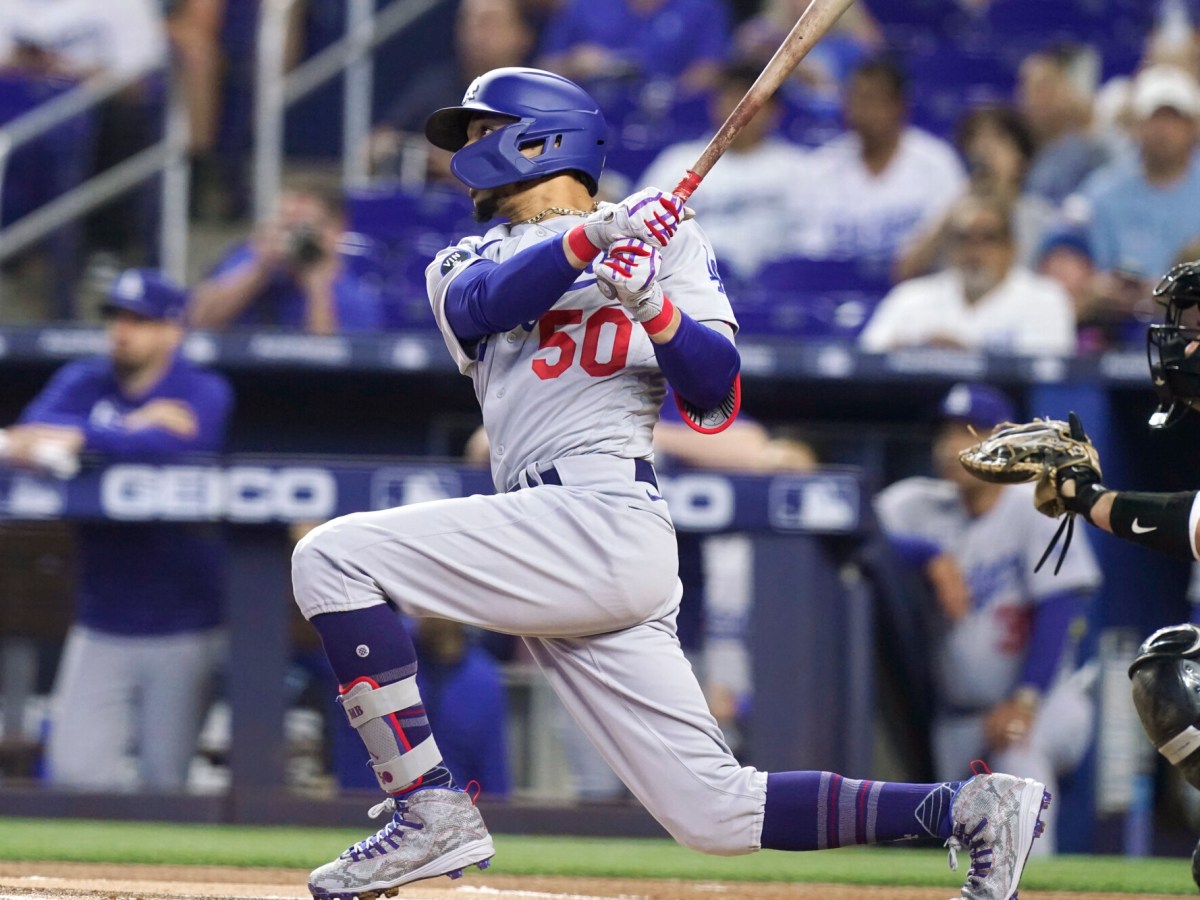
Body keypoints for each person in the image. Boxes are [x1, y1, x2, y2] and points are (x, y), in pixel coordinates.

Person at [288, 65, 1052, 900]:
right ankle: (971, 809)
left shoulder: (670, 241)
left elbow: (714, 395)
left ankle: (427, 810)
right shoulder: (467, 256)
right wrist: (594, 238)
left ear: (541, 140)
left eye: (481, 131)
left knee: (332, 557)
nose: (464, 152)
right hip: (555, 528)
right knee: (714, 812)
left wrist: (653, 302)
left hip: (602, 511)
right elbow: (486, 304)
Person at [0, 269, 233, 791]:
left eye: (140, 320)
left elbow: (182, 447)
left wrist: (82, 440)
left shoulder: (202, 388)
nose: (122, 330)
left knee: (165, 782)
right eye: (117, 317)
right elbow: (21, 439)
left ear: (172, 331)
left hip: (185, 620)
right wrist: (125, 428)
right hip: (101, 618)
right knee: (75, 774)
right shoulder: (83, 380)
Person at [875, 383, 1102, 855]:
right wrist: (927, 553)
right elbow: (853, 529)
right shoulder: (916, 506)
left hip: (1045, 702)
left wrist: (1025, 700)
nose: (950, 447)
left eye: (967, 433)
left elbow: (1059, 607)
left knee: (1018, 757)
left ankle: (1036, 881)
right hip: (959, 716)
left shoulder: (1037, 505)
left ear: (1006, 443)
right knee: (954, 837)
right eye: (945, 434)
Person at [787, 57, 967, 270]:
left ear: (898, 105)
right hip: (840, 286)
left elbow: (952, 241)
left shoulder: (937, 164)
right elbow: (811, 253)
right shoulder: (820, 168)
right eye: (856, 99)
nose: (863, 111)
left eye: (873, 99)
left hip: (919, 285)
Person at [638, 60, 810, 281]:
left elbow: (810, 244)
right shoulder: (678, 162)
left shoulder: (799, 169)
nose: (739, 111)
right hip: (689, 284)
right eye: (731, 98)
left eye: (752, 101)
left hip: (774, 287)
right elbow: (642, 231)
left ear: (775, 110)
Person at [859, 192, 1077, 354]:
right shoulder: (910, 298)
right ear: (948, 248)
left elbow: (1046, 376)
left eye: (988, 239)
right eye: (963, 239)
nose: (974, 252)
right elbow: (867, 362)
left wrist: (968, 356)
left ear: (1011, 248)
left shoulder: (1045, 298)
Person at [1081, 64, 1200, 335]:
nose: (1163, 130)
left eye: (1174, 119)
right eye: (1154, 119)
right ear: (1135, 126)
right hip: (1114, 326)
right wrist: (1099, 287)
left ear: (1193, 127)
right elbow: (1081, 263)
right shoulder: (1102, 191)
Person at [369, 0, 535, 184]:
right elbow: (378, 139)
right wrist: (394, 149)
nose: (474, 33)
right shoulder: (436, 84)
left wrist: (455, 168)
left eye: (488, 23)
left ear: (523, 35)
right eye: (466, 23)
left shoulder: (539, 98)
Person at [188, 183, 385, 334]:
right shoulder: (247, 260)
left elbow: (333, 360)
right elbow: (198, 324)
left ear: (333, 231)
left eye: (302, 228)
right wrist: (259, 270)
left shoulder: (353, 295)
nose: (290, 238)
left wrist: (317, 289)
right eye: (284, 226)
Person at [535, 0, 729, 95]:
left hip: (671, 125)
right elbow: (542, 71)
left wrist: (670, 93)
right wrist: (572, 63)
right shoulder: (584, 6)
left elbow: (710, 70)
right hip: (593, 116)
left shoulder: (700, 7)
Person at [1016, 45, 1111, 208]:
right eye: (1028, 88)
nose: (1035, 98)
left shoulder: (1091, 146)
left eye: (1044, 87)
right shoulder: (1018, 148)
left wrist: (1088, 120)